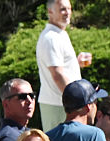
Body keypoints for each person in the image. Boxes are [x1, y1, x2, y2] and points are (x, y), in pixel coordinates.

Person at [36, 0, 81, 131]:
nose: (67, 13)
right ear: (50, 12)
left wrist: (76, 63)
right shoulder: (51, 38)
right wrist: (77, 102)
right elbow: (57, 74)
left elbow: (61, 68)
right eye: (62, 9)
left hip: (62, 103)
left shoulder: (60, 34)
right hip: (58, 104)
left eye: (69, 8)